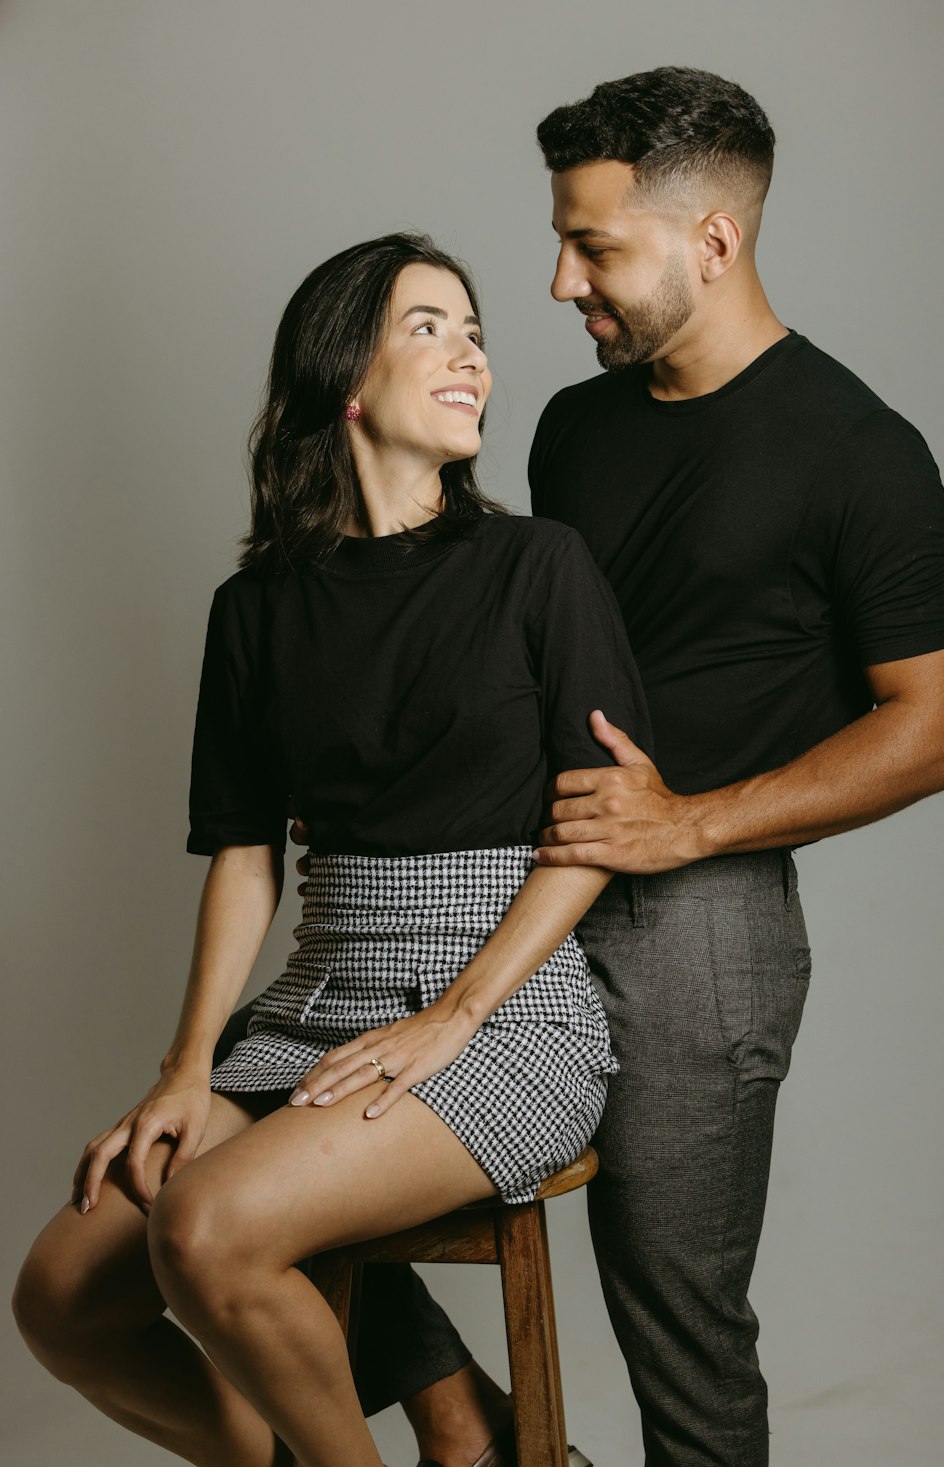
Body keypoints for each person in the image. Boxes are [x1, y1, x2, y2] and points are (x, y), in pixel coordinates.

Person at [285, 67, 944, 1467]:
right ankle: (467, 1424)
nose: (557, 280)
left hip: (699, 929)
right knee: (278, 1185)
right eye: (562, 238)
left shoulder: (863, 451)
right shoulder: (575, 427)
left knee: (679, 1321)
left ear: (712, 242)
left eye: (594, 245)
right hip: (515, 884)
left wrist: (690, 822)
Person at [12, 233, 653, 1467]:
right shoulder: (254, 609)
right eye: (428, 326)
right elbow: (246, 855)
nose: (468, 349)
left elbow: (596, 831)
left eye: (473, 329)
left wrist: (455, 1014)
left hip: (508, 1012)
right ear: (343, 376)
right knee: (62, 1294)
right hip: (316, 1000)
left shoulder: (538, 564)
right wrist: (187, 1067)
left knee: (205, 1228)